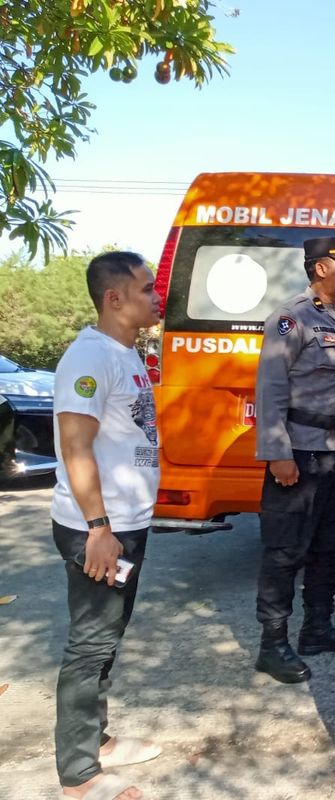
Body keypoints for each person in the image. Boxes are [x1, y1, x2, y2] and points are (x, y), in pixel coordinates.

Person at [52, 252, 163, 800]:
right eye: (147, 289)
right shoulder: (90, 357)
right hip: (97, 530)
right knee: (91, 645)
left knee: (107, 641)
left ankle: (95, 740)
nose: (156, 296)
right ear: (114, 298)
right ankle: (78, 776)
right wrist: (98, 527)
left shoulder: (127, 352)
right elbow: (75, 444)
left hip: (125, 525)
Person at [253, 237, 335, 684]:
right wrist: (278, 453)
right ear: (320, 269)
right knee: (285, 551)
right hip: (300, 452)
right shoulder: (290, 319)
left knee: (331, 544)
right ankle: (273, 644)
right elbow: (271, 389)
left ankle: (317, 629)